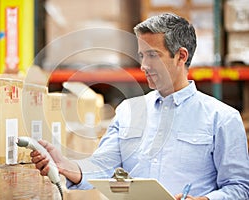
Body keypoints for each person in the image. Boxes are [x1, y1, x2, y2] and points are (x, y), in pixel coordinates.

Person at [31, 13, 249, 200]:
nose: (144, 66)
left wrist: (205, 199)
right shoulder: (129, 111)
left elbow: (240, 188)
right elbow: (103, 168)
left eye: (153, 55)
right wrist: (64, 164)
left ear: (181, 56)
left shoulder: (222, 118)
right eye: (142, 56)